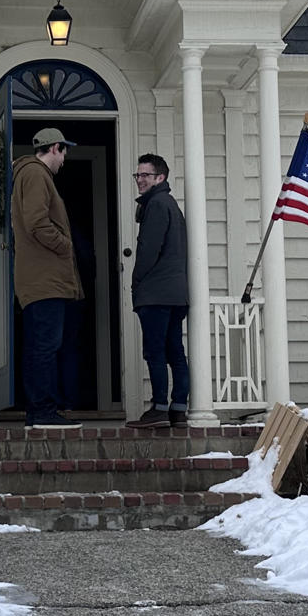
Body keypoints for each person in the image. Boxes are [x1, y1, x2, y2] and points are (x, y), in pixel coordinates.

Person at [11, 128, 84, 429]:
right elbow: (37, 223)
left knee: (40, 345)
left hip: (40, 280)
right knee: (45, 346)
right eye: (64, 152)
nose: (65, 160)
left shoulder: (26, 174)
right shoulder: (37, 175)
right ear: (55, 148)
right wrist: (66, 245)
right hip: (45, 280)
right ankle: (42, 411)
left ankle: (39, 410)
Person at [126, 154, 189, 429]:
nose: (140, 180)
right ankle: (178, 408)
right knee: (174, 349)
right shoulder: (170, 205)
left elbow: (149, 250)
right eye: (137, 175)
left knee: (155, 351)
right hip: (176, 292)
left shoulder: (156, 204)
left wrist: (136, 282)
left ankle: (160, 407)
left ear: (160, 178)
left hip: (156, 292)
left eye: (145, 176)